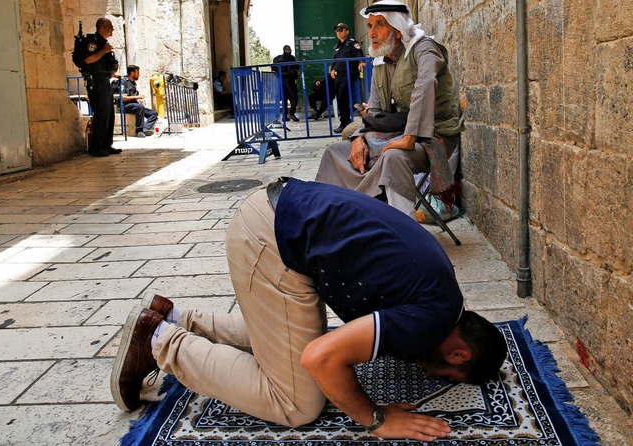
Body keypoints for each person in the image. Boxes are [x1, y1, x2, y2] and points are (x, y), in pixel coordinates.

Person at [111, 177, 507, 441]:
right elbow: (321, 358)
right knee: (297, 402)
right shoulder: (428, 321)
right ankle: (161, 339)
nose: (427, 374)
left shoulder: (446, 300)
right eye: (445, 374)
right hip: (271, 239)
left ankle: (179, 318)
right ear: (459, 353)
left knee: (294, 347)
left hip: (280, 218)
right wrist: (377, 418)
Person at [315, 1, 465, 219]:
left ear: (397, 30)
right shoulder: (381, 63)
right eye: (370, 26)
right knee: (335, 153)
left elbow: (425, 85)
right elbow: (373, 110)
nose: (372, 33)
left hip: (434, 136)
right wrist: (359, 138)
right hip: (401, 132)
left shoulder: (424, 48)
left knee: (394, 157)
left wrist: (410, 137)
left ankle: (404, 232)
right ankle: (336, 219)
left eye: (380, 25)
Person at [81, 18, 121, 157]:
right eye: (110, 26)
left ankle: (106, 145)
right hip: (96, 82)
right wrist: (103, 51)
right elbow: (88, 60)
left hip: (105, 80)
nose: (112, 30)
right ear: (102, 27)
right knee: (101, 113)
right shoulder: (93, 42)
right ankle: (97, 147)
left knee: (109, 113)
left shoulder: (103, 43)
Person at [330, 23, 365, 134]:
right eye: (337, 30)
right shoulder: (337, 46)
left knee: (343, 98)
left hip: (348, 74)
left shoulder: (352, 43)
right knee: (340, 99)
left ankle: (345, 122)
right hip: (338, 75)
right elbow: (335, 59)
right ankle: (345, 121)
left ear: (347, 31)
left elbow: (359, 53)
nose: (339, 32)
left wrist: (361, 62)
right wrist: (332, 69)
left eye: (341, 30)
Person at [121, 65, 159, 138]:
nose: (139, 75)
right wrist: (137, 97)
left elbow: (133, 95)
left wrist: (137, 99)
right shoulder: (123, 82)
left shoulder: (133, 83)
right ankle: (139, 131)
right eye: (137, 73)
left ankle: (146, 128)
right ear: (132, 73)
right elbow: (123, 97)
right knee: (140, 107)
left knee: (153, 113)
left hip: (134, 105)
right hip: (125, 106)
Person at [272, 45, 299, 121]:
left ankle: (285, 116)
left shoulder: (278, 58)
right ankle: (291, 113)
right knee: (294, 97)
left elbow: (273, 68)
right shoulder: (291, 58)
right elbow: (297, 67)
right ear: (289, 50)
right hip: (289, 80)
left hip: (280, 80)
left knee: (284, 98)